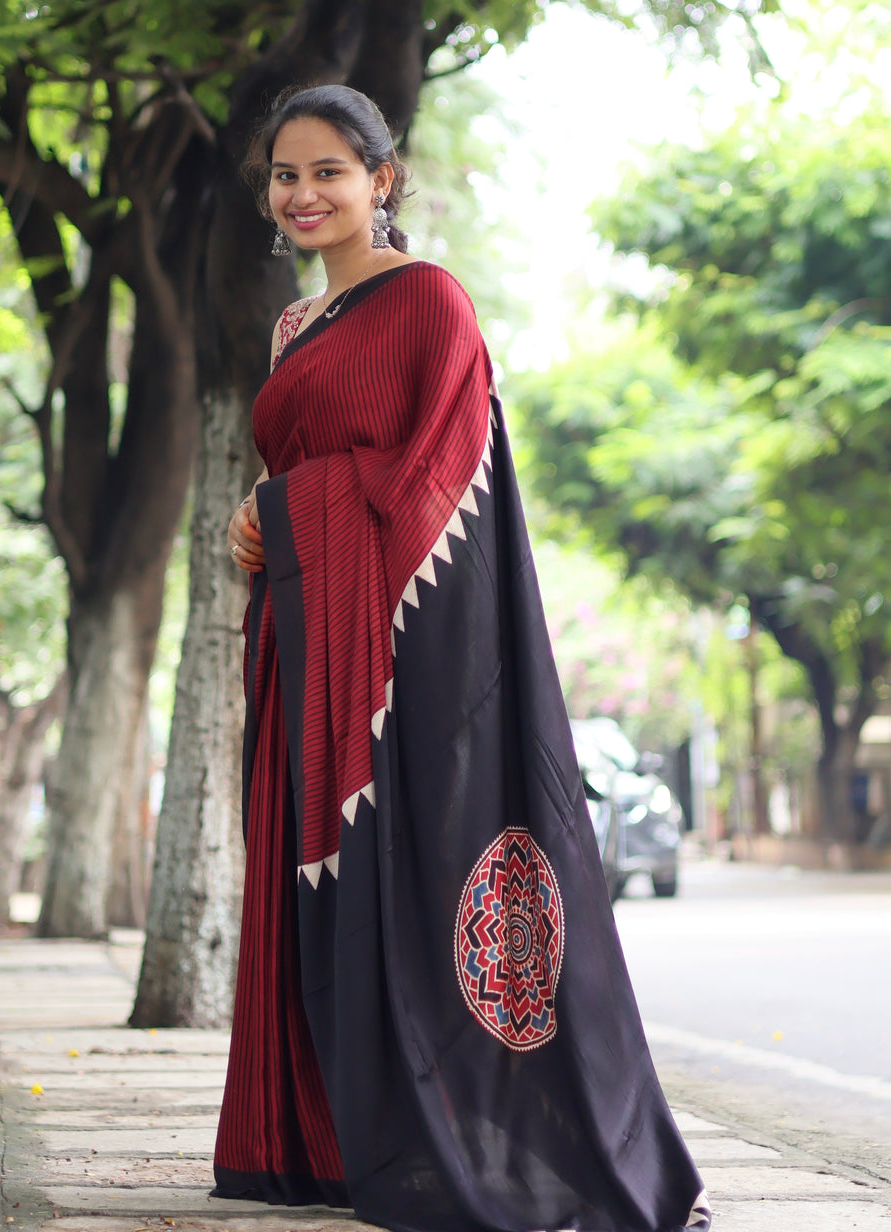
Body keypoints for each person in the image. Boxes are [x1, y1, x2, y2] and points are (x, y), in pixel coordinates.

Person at [215, 83, 711, 1232]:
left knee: (415, 872)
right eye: (286, 175)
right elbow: (310, 470)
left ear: (382, 181)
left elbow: (431, 478)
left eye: (329, 170)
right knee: (305, 874)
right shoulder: (296, 328)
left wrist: (293, 510)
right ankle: (324, 1133)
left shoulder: (431, 301)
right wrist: (266, 518)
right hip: (302, 634)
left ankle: (458, 1135)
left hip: (400, 650)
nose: (304, 193)